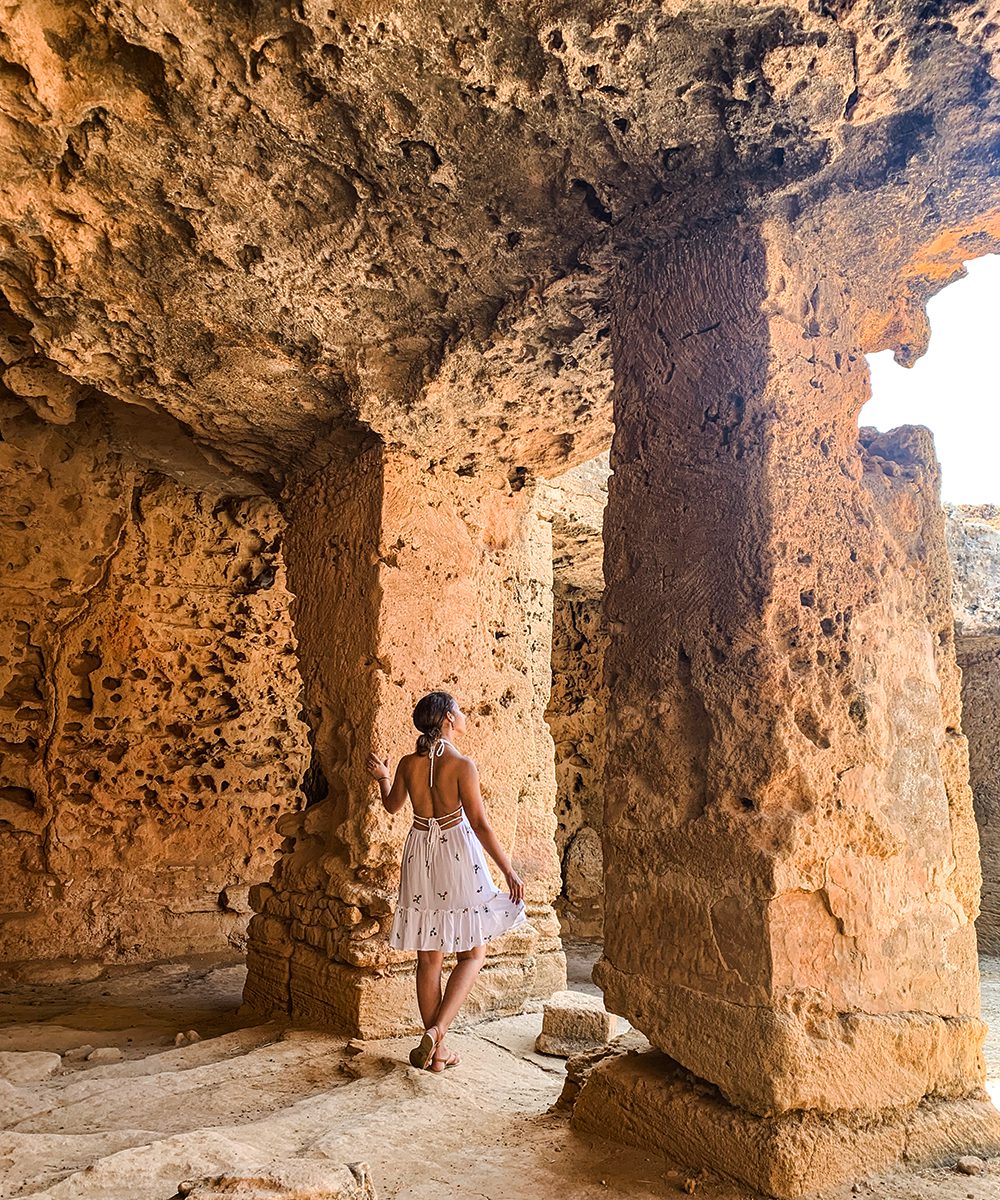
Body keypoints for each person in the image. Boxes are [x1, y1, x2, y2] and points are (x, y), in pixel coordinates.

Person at [366, 690, 527, 1072]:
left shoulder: (407, 763)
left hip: (420, 853)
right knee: (473, 953)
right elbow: (480, 824)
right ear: (447, 719)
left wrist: (384, 778)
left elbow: (391, 807)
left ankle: (437, 1055)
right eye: (459, 708)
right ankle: (437, 1033)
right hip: (456, 854)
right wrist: (508, 870)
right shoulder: (463, 765)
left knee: (428, 957)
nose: (463, 712)